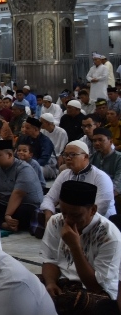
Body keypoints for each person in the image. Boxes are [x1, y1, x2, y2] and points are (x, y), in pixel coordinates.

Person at [40, 180, 121, 314]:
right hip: (63, 282)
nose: (68, 220)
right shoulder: (56, 221)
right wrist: (50, 283)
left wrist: (75, 247)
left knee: (75, 300)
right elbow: (49, 259)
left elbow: (95, 286)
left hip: (96, 291)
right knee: (25, 284)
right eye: (64, 213)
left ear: (93, 210)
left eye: (75, 215)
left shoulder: (109, 236)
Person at [41, 140, 117, 222]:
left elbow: (99, 209)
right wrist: (49, 216)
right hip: (71, 218)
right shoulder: (64, 174)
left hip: (99, 222)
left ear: (86, 157)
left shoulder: (101, 177)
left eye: (73, 155)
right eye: (65, 155)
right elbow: (50, 198)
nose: (68, 158)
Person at [0, 140, 44, 231]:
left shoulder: (24, 168)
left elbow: (18, 194)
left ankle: (1, 223)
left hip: (24, 205)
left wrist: (8, 215)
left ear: (9, 155)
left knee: (24, 212)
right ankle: (4, 225)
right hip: (5, 204)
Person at [89, 127, 121, 211]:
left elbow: (117, 187)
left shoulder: (119, 158)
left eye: (100, 140)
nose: (96, 143)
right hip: (94, 193)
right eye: (94, 141)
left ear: (110, 141)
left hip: (113, 195)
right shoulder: (94, 157)